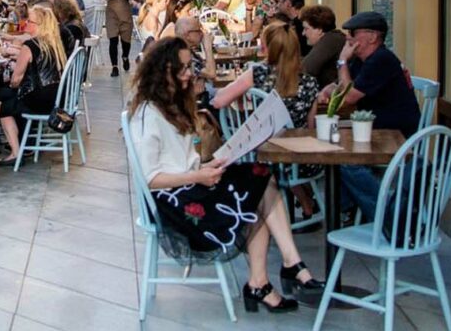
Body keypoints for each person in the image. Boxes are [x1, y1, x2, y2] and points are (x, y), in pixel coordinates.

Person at [128, 38, 323, 312]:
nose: (189, 74)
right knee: (257, 191)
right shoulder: (148, 114)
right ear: (164, 71)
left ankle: (278, 273)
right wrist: (198, 176)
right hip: (173, 203)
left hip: (189, 185)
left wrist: (206, 168)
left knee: (259, 177)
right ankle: (275, 276)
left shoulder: (171, 106)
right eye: (183, 68)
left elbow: (181, 162)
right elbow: (151, 179)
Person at [319, 11, 420, 223]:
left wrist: (341, 62)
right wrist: (328, 89)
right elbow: (343, 87)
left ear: (373, 36)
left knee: (346, 161)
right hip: (373, 127)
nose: (349, 38)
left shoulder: (381, 59)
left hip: (396, 133)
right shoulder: (362, 60)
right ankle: (352, 208)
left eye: (354, 33)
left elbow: (349, 96)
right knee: (333, 152)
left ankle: (386, 212)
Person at [212, 23, 322, 219]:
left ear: (267, 47)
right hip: (303, 158)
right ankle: (306, 199)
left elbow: (219, 101)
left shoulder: (258, 74)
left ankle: (301, 202)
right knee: (289, 156)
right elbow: (310, 126)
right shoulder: (310, 82)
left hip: (264, 156)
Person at [0, 4, 66, 165]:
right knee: (3, 94)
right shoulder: (54, 44)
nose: (26, 24)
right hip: (55, 97)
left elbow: (16, 79)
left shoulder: (30, 46)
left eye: (30, 22)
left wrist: (13, 83)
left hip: (38, 99)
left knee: (5, 106)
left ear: (39, 25)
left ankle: (16, 153)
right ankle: (17, 143)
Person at [97, 0, 141, 76]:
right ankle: (114, 67)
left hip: (125, 13)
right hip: (112, 13)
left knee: (126, 40)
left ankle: (125, 57)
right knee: (113, 39)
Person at [300, 4, 348, 88]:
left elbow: (305, 69)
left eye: (306, 28)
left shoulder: (331, 40)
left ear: (319, 29)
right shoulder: (334, 38)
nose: (303, 33)